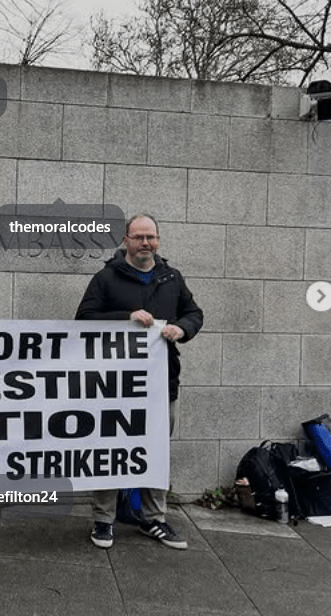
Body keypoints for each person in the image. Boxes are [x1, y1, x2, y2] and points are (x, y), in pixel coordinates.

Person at [76, 213, 203, 550]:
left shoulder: (172, 277)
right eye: (139, 237)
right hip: (113, 385)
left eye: (151, 237)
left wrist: (182, 329)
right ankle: (104, 520)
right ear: (126, 240)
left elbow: (194, 313)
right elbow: (84, 319)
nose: (146, 243)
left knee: (155, 451)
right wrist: (126, 318)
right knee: (109, 448)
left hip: (161, 384)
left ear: (158, 240)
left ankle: (154, 519)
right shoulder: (106, 278)